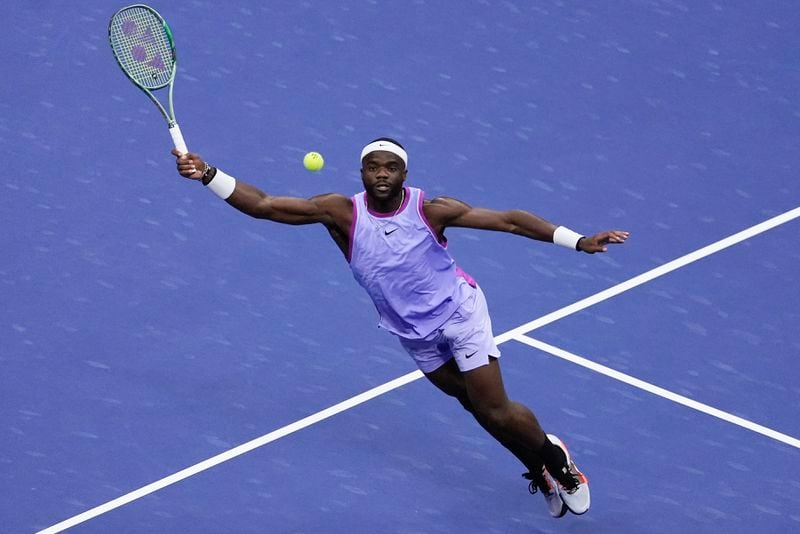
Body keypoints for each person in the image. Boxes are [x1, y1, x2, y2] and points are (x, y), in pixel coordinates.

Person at [171, 138, 628, 518]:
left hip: (460, 315)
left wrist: (578, 241)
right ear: (362, 173)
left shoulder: (432, 210)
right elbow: (266, 206)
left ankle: (559, 462)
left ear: (404, 175)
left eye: (392, 168)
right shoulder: (340, 213)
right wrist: (209, 173)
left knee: (494, 409)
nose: (383, 174)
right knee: (472, 407)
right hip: (411, 331)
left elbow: (509, 220)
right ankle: (538, 465)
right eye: (373, 168)